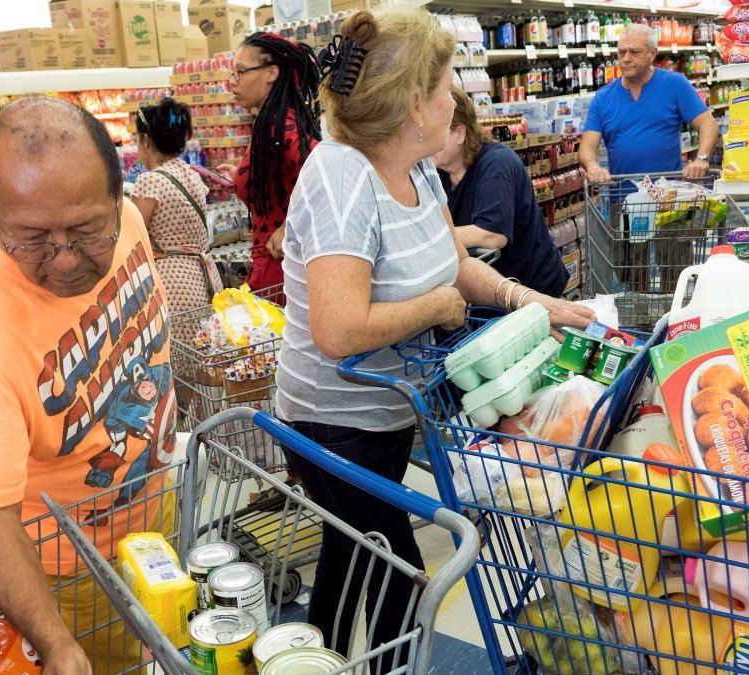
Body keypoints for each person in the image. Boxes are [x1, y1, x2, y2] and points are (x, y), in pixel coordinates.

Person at [276, 10, 595, 666]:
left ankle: (320, 659)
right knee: (397, 567)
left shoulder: (417, 166)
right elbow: (338, 328)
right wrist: (437, 307)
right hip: (330, 422)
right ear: (411, 105)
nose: (457, 100)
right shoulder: (342, 179)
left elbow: (454, 261)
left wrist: (534, 305)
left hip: (387, 413)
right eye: (447, 86)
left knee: (349, 554)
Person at [0, 96, 177, 674]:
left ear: (121, 198)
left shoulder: (132, 223)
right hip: (69, 568)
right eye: (31, 238)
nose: (64, 261)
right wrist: (58, 645)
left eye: (88, 229)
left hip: (157, 508)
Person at [216, 32, 322, 300]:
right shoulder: (271, 121)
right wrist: (240, 175)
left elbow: (327, 171)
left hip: (282, 270)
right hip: (279, 268)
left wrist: (290, 225)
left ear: (271, 73)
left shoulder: (277, 123)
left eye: (240, 72)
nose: (231, 82)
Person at [434, 88, 569, 297]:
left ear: (459, 134)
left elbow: (493, 236)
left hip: (534, 289)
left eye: (437, 132)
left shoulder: (496, 163)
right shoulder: (439, 172)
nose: (428, 141)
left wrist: (432, 238)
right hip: (495, 292)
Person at [580, 23, 719, 182]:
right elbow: (587, 146)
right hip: (621, 197)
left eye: (634, 52)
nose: (626, 59)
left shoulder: (674, 84)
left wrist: (701, 158)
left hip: (667, 196)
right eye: (621, 52)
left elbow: (708, 123)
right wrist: (593, 167)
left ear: (652, 54)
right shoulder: (603, 97)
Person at [129, 98, 220, 340]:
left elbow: (133, 235)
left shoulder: (151, 181)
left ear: (146, 141)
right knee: (204, 354)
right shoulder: (190, 174)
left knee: (177, 362)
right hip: (206, 278)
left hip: (173, 284)